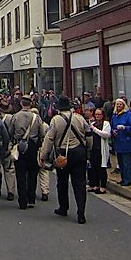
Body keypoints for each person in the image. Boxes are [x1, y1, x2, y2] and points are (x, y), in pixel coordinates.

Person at [40, 95, 91, 224]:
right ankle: (81, 213)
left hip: (63, 153)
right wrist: (88, 149)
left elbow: (49, 138)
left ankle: (63, 207)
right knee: (79, 183)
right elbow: (88, 134)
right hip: (79, 151)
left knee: (62, 181)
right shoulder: (79, 118)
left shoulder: (56, 120)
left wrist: (43, 155)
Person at [8, 94, 45, 210]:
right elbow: (42, 133)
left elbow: (10, 132)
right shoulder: (36, 117)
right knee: (33, 173)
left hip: (20, 146)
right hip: (32, 146)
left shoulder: (15, 116)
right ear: (31, 104)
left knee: (20, 173)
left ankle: (22, 200)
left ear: (21, 103)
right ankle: (31, 198)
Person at [110, 98, 131, 186]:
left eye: (120, 104)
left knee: (126, 163)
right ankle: (123, 178)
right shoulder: (114, 115)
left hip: (126, 141)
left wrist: (125, 128)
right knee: (120, 162)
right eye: (117, 104)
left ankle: (128, 179)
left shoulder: (127, 114)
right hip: (118, 141)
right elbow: (111, 125)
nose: (118, 106)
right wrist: (112, 131)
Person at [0, 100, 17, 202]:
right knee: (9, 169)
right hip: (8, 145)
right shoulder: (11, 118)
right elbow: (13, 132)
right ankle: (11, 191)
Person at [88, 108, 111, 194]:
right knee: (94, 167)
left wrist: (94, 129)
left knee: (102, 168)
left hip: (101, 148)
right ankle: (96, 185)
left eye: (99, 114)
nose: (97, 116)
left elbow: (106, 134)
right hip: (93, 148)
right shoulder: (93, 124)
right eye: (96, 114)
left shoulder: (106, 124)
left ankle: (103, 186)